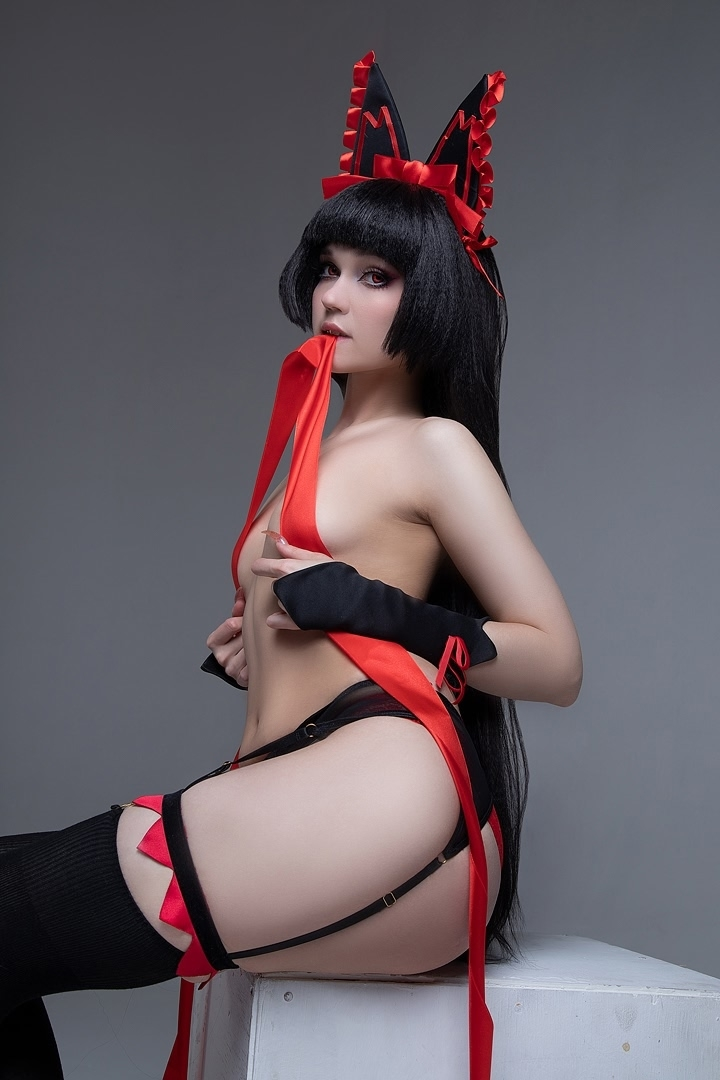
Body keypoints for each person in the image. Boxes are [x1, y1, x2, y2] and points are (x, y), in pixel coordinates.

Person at [0, 52, 581, 1080]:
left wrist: (376, 608)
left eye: (375, 277)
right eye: (328, 269)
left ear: (434, 296)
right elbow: (323, 621)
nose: (334, 297)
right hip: (312, 781)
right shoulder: (317, 441)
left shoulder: (435, 446)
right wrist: (262, 650)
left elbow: (556, 661)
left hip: (388, 794)